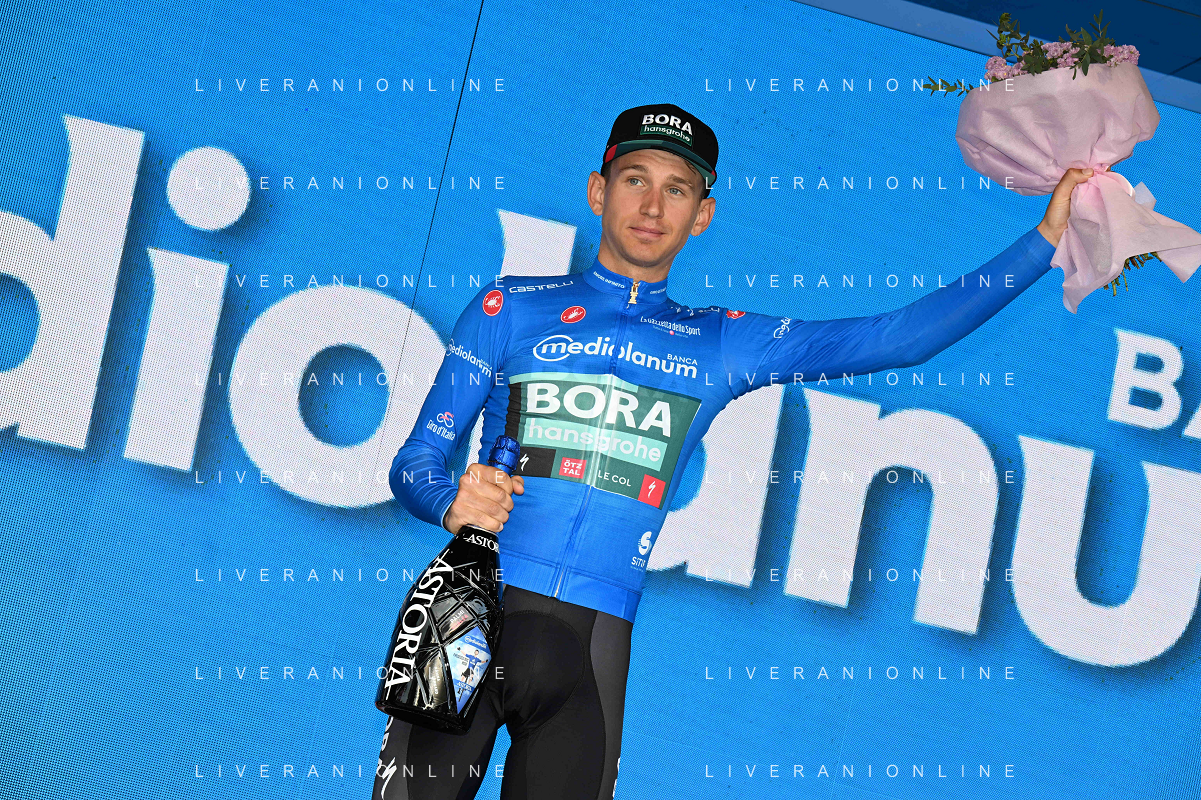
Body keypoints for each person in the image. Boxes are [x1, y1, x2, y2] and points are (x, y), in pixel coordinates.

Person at [372, 103, 1092, 800]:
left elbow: (898, 339)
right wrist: (449, 503)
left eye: (677, 189)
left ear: (702, 215)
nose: (652, 206)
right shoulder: (508, 306)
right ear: (598, 191)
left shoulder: (720, 341)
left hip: (591, 651)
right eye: (635, 179)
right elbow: (414, 465)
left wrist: (1044, 240)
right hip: (468, 618)